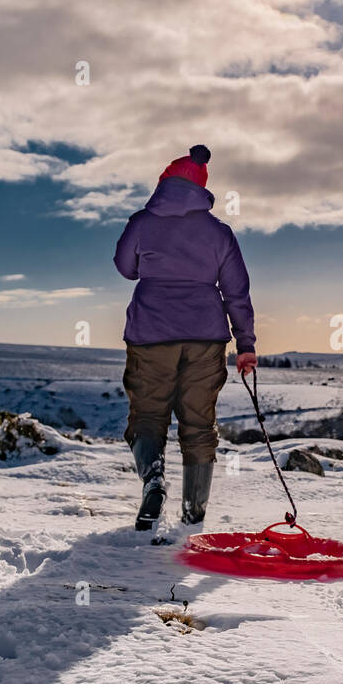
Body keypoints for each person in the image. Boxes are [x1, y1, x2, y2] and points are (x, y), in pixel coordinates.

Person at [114, 144, 258, 533]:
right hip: (205, 338)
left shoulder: (142, 222)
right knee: (198, 424)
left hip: (150, 334)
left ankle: (154, 481)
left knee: (147, 415)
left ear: (164, 184)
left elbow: (125, 268)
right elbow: (237, 292)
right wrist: (245, 345)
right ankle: (193, 515)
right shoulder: (219, 233)